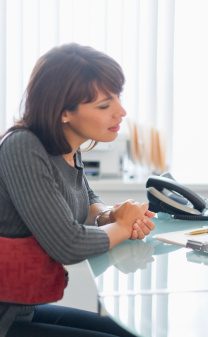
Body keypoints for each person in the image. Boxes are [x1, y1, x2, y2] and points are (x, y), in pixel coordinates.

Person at [0, 43, 155, 336]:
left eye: (117, 99)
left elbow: (86, 200)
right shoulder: (23, 146)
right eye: (104, 105)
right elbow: (68, 244)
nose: (121, 112)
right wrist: (123, 225)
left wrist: (108, 215)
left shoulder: (65, 147)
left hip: (21, 310)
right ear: (63, 112)